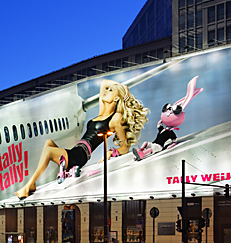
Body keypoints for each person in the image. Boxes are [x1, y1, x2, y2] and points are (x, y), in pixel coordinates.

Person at [14, 80, 148, 200]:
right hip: (76, 150)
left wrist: (111, 152)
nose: (106, 91)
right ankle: (32, 184)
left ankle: (28, 186)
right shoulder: (101, 112)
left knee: (49, 151)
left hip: (81, 155)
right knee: (48, 142)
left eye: (110, 90)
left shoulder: (116, 118)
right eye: (107, 90)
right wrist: (122, 88)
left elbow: (125, 147)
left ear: (116, 99)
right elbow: (103, 83)